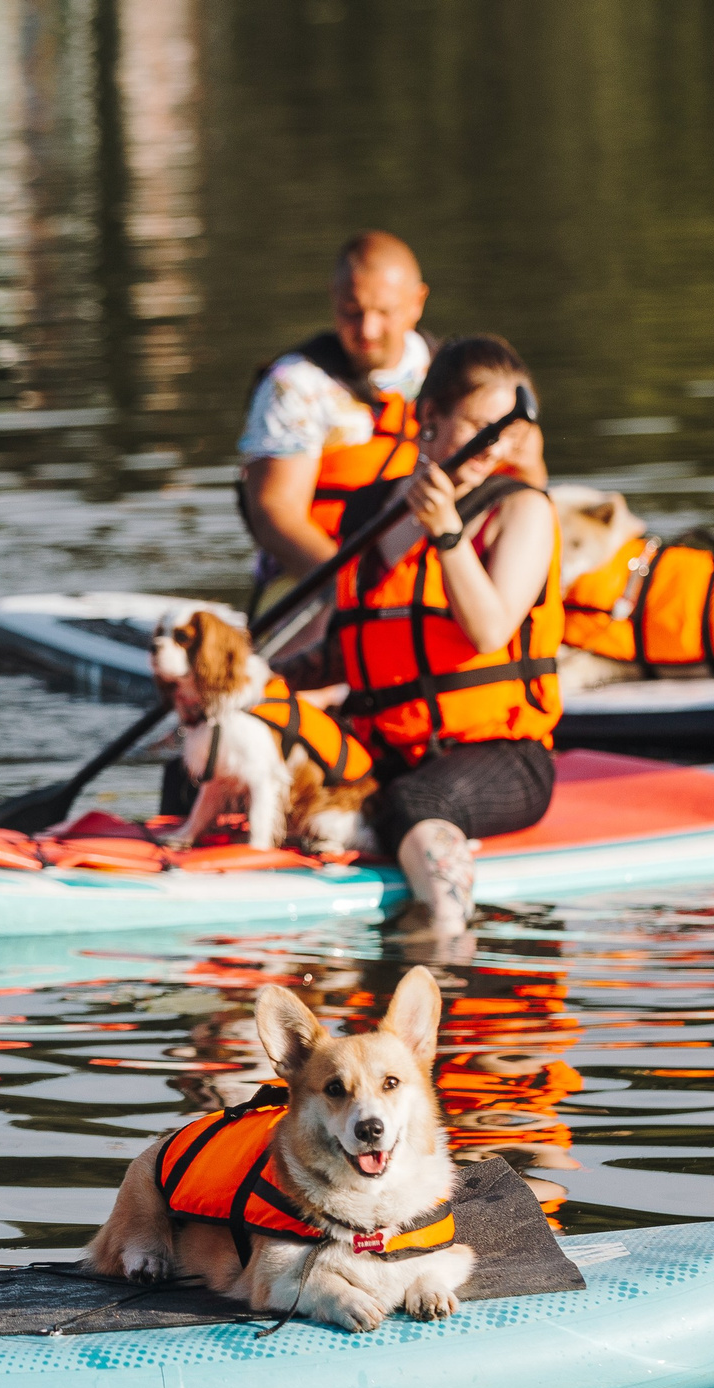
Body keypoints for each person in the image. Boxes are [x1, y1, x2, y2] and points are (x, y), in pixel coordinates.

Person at [328, 336, 562, 943]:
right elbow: (352, 641)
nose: (500, 443)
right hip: (386, 744)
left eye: (508, 427)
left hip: (503, 756)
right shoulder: (368, 515)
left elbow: (488, 630)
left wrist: (448, 535)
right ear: (429, 418)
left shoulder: (522, 510)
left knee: (410, 801)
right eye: (484, 425)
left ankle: (448, 940)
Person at [237, 231, 435, 590]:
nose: (367, 330)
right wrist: (358, 590)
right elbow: (275, 514)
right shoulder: (294, 384)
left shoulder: (454, 377)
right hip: (317, 587)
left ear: (417, 301)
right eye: (352, 312)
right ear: (334, 299)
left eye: (383, 312)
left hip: (433, 580)